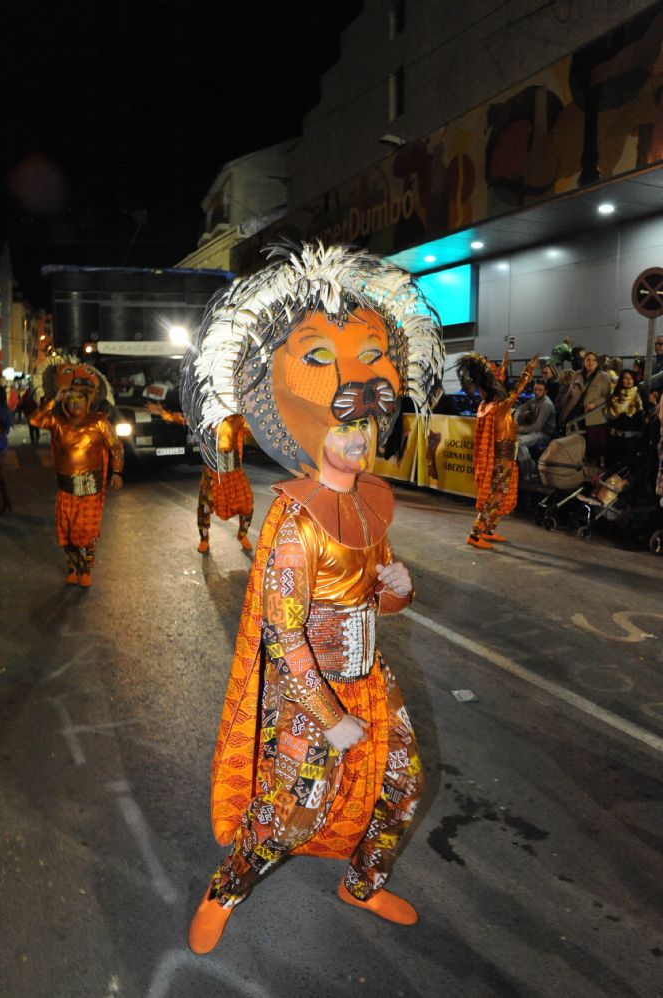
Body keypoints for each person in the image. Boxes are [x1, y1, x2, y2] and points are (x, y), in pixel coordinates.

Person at [181, 241, 444, 955]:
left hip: (370, 682)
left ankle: (363, 882)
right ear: (309, 426)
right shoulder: (293, 524)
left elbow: (379, 602)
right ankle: (223, 891)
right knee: (291, 814)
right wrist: (327, 718)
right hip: (308, 697)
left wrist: (399, 590)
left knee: (406, 785)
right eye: (343, 426)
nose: (358, 439)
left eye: (364, 425)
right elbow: (283, 636)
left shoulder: (370, 504)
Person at [30, 356, 123, 586]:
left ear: (88, 400)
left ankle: (86, 570)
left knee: (87, 530)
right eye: (70, 400)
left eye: (79, 399)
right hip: (66, 486)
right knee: (67, 529)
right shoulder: (57, 422)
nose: (74, 404)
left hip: (90, 485)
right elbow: (34, 420)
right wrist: (54, 401)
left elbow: (116, 447)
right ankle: (72, 568)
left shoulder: (100, 421)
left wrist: (117, 472)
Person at [144, 402, 253, 552]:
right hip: (212, 472)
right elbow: (183, 419)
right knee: (205, 507)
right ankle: (204, 540)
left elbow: (257, 431)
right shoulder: (205, 419)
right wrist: (163, 412)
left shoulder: (239, 419)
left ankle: (242, 535)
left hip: (233, 471)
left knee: (247, 504)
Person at [458, 352, 538, 549]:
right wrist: (528, 371)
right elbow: (517, 390)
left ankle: (487, 530)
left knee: (500, 494)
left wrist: (502, 366)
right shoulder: (500, 406)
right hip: (501, 459)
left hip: (502, 456)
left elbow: (494, 381)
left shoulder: (485, 405)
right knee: (496, 495)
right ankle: (475, 535)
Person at [560, 351, 612, 464]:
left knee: (594, 443)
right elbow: (570, 393)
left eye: (594, 360)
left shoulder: (603, 376)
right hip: (576, 411)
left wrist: (594, 404)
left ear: (598, 363)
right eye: (588, 360)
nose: (590, 363)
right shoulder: (576, 374)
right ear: (584, 362)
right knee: (573, 439)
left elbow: (607, 396)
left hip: (593, 414)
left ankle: (594, 463)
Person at [515, 379, 556, 480]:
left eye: (540, 390)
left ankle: (529, 473)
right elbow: (520, 408)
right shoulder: (534, 400)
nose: (536, 392)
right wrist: (515, 420)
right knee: (514, 440)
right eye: (535, 389)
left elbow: (538, 426)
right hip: (535, 431)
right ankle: (530, 468)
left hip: (544, 433)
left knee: (518, 442)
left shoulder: (546, 404)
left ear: (545, 391)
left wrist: (521, 429)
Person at [606, 369, 644, 467]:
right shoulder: (616, 394)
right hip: (617, 433)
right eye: (625, 378)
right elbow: (611, 412)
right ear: (621, 380)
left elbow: (644, 410)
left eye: (631, 378)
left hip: (633, 433)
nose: (629, 381)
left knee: (630, 460)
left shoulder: (639, 393)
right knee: (617, 459)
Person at [0, 385, 13, 514]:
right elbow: (8, 428)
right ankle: (6, 502)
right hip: (2, 445)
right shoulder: (6, 410)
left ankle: (6, 502)